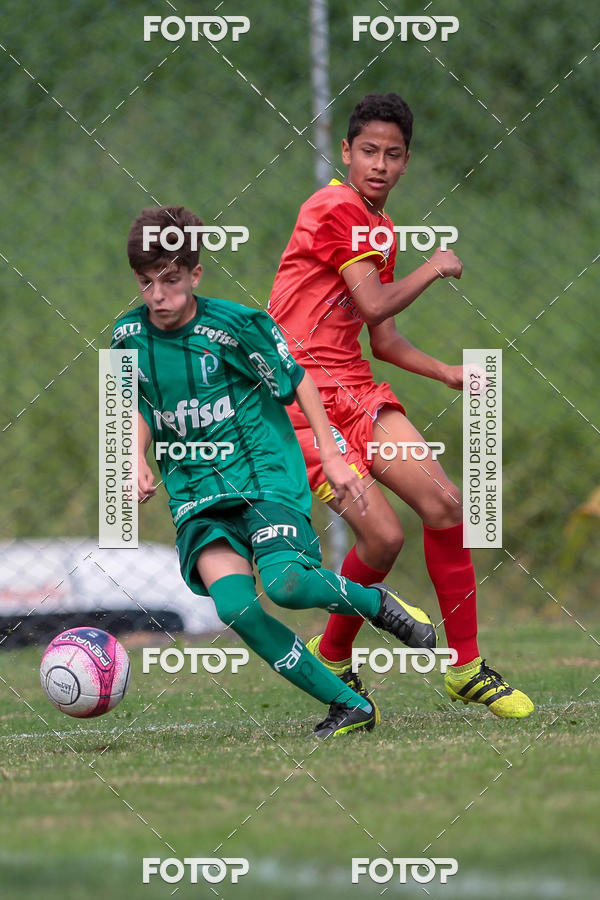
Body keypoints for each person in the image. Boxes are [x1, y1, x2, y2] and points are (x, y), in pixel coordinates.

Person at [112, 204, 436, 739]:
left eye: (170, 280)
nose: (158, 296)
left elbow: (298, 380)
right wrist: (135, 459)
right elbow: (139, 404)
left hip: (262, 476)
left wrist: (332, 455)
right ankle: (349, 705)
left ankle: (378, 604)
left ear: (195, 274)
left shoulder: (235, 327)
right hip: (195, 492)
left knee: (287, 585)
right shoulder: (126, 338)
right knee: (236, 608)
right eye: (146, 283)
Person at [268, 93, 533, 718]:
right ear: (345, 152)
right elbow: (375, 304)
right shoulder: (333, 206)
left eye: (392, 154)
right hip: (301, 399)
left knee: (445, 504)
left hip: (355, 391)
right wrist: (434, 267)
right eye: (368, 151)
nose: (379, 164)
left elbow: (381, 338)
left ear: (407, 161)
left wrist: (445, 372)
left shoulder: (380, 229)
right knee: (383, 539)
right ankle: (334, 655)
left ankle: (466, 668)